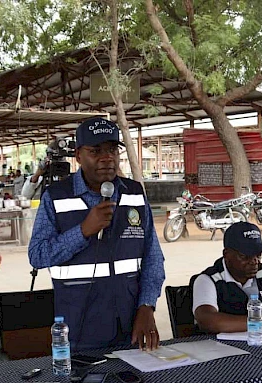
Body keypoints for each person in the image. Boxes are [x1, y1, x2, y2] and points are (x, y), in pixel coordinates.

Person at [28, 117, 165, 352]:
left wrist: (147, 306)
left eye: (112, 150)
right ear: (79, 156)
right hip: (79, 330)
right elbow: (37, 255)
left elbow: (153, 256)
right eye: (96, 151)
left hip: (130, 327)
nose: (106, 158)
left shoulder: (134, 193)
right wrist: (83, 231)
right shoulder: (56, 196)